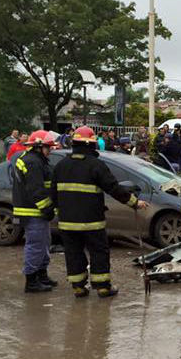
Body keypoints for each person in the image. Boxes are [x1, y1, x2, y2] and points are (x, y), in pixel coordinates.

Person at [51, 126, 148, 297]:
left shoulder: (61, 166)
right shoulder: (96, 165)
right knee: (98, 252)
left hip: (67, 222)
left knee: (73, 253)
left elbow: (53, 194)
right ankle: (103, 287)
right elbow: (114, 188)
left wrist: (57, 212)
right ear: (90, 145)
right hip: (92, 222)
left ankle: (78, 287)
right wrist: (134, 203)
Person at [11, 130, 59, 293]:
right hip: (32, 211)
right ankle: (31, 281)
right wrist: (47, 208)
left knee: (44, 243)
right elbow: (36, 189)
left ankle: (41, 275)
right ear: (39, 146)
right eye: (48, 147)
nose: (50, 150)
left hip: (34, 210)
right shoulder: (33, 162)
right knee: (36, 245)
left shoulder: (35, 160)